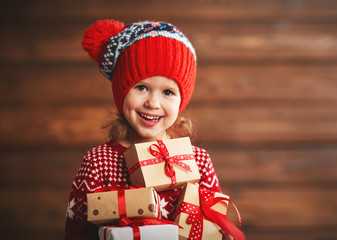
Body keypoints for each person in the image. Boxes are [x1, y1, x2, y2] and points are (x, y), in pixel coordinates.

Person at [64, 19, 222, 240]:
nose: (153, 103)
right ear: (121, 92)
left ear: (181, 101)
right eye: (141, 87)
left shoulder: (198, 161)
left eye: (167, 92)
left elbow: (217, 226)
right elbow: (77, 233)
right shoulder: (98, 161)